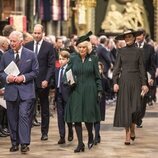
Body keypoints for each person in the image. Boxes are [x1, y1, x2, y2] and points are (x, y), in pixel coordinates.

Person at [0, 31, 39, 153]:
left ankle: (24, 143)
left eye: (14, 41)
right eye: (10, 41)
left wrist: (23, 77)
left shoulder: (31, 55)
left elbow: (35, 72)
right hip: (11, 91)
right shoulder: (5, 56)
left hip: (26, 92)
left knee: (23, 116)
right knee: (12, 119)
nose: (11, 43)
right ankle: (14, 143)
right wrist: (7, 78)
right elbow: (1, 72)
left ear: (21, 41)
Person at [64, 31, 102, 152]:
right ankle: (80, 143)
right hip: (76, 90)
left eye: (84, 47)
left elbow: (97, 76)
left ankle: (91, 136)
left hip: (90, 90)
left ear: (88, 47)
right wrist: (68, 81)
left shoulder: (94, 59)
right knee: (77, 117)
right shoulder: (73, 58)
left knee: (88, 117)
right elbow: (67, 73)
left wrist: (99, 90)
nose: (81, 49)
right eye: (79, 47)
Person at [113, 29, 148, 145]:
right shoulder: (121, 51)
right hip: (124, 81)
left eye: (129, 37)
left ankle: (133, 127)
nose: (127, 39)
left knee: (135, 108)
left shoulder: (139, 51)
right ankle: (127, 134)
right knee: (125, 108)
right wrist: (115, 82)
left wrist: (144, 83)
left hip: (136, 81)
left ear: (134, 38)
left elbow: (142, 68)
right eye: (126, 37)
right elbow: (117, 68)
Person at [25, 24, 55, 141]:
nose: (36, 35)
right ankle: (26, 133)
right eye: (35, 33)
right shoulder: (27, 46)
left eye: (38, 33)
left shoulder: (49, 46)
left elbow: (51, 65)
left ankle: (44, 132)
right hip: (30, 82)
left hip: (43, 83)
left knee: (44, 108)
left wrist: (47, 79)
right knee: (29, 108)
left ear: (43, 33)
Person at [135, 29, 156, 127]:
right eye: (136, 35)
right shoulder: (132, 47)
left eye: (139, 35)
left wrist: (151, 76)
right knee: (134, 98)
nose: (137, 37)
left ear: (143, 36)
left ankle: (139, 118)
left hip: (145, 77)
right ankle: (134, 117)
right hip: (133, 77)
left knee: (142, 99)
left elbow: (152, 65)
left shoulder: (149, 48)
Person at [55, 50, 73, 144]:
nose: (61, 61)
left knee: (68, 115)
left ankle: (70, 130)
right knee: (60, 116)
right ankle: (62, 136)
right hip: (58, 95)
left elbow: (72, 83)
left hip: (67, 95)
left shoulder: (69, 70)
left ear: (68, 59)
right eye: (60, 59)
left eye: (63, 59)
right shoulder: (57, 69)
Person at [94, 62, 110, 145]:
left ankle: (96, 137)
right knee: (93, 120)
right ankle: (97, 135)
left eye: (99, 69)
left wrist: (103, 94)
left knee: (97, 120)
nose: (98, 70)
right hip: (92, 101)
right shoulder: (91, 79)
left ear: (102, 70)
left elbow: (108, 90)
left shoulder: (104, 80)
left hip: (100, 102)